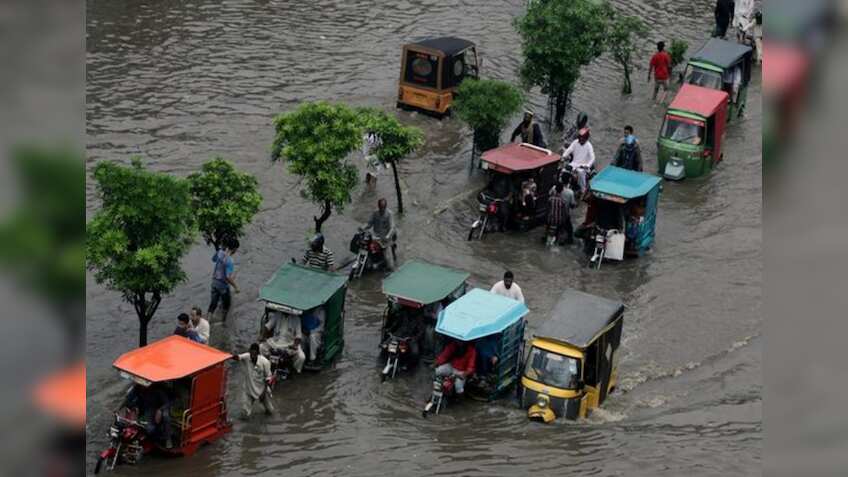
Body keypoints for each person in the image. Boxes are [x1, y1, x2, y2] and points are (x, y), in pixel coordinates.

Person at [233, 343, 274, 418]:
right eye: (251, 354)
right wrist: (227, 355)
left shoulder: (265, 362)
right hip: (249, 390)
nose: (252, 356)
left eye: (254, 354)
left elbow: (268, 378)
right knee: (244, 414)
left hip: (262, 390)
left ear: (258, 353)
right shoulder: (247, 356)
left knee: (270, 411)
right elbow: (237, 357)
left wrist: (263, 393)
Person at [209, 237, 240, 323]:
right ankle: (223, 322)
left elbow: (213, 259)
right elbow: (227, 277)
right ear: (234, 249)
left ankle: (208, 322)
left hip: (214, 282)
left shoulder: (220, 252)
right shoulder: (230, 261)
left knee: (213, 304)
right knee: (227, 305)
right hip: (223, 286)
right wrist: (236, 287)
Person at [561, 128, 596, 196]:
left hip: (583, 166)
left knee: (580, 173)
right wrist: (563, 156)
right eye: (580, 138)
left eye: (583, 138)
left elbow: (592, 158)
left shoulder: (589, 146)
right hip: (574, 163)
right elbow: (569, 150)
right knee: (564, 170)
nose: (581, 139)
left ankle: (583, 190)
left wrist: (588, 165)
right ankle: (564, 185)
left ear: (586, 138)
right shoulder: (575, 142)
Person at [365, 198, 397, 271]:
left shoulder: (389, 214)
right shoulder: (375, 213)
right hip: (376, 237)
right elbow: (369, 224)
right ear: (378, 206)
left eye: (383, 208)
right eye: (380, 207)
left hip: (385, 239)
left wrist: (388, 236)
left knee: (390, 265)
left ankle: (388, 265)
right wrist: (363, 227)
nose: (382, 209)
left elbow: (392, 227)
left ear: (385, 207)